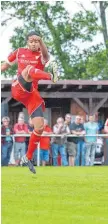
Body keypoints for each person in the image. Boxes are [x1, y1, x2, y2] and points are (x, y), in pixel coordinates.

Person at [1, 31, 58, 174]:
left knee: (39, 127)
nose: (33, 44)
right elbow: (5, 65)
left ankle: (28, 157)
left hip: (32, 93)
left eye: (36, 41)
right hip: (19, 88)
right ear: (27, 42)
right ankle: (51, 76)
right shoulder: (19, 51)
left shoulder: (42, 54)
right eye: (31, 41)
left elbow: (47, 57)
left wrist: (42, 41)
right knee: (28, 70)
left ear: (39, 43)